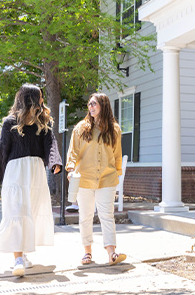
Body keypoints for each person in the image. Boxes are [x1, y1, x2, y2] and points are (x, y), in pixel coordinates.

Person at [0, 83, 62, 277]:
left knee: (30, 213)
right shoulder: (9, 123)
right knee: (16, 213)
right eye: (40, 96)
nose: (42, 100)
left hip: (35, 174)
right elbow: (3, 152)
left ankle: (23, 254)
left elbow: (51, 145)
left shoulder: (43, 123)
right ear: (32, 98)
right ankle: (18, 259)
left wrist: (55, 162)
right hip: (16, 174)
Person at [66, 93, 126, 266]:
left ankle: (111, 253)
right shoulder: (81, 128)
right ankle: (87, 252)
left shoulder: (114, 129)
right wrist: (70, 168)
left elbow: (117, 154)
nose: (90, 107)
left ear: (103, 105)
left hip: (107, 179)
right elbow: (73, 151)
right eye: (89, 104)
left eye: (94, 104)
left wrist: (118, 173)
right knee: (85, 216)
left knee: (107, 215)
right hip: (84, 179)